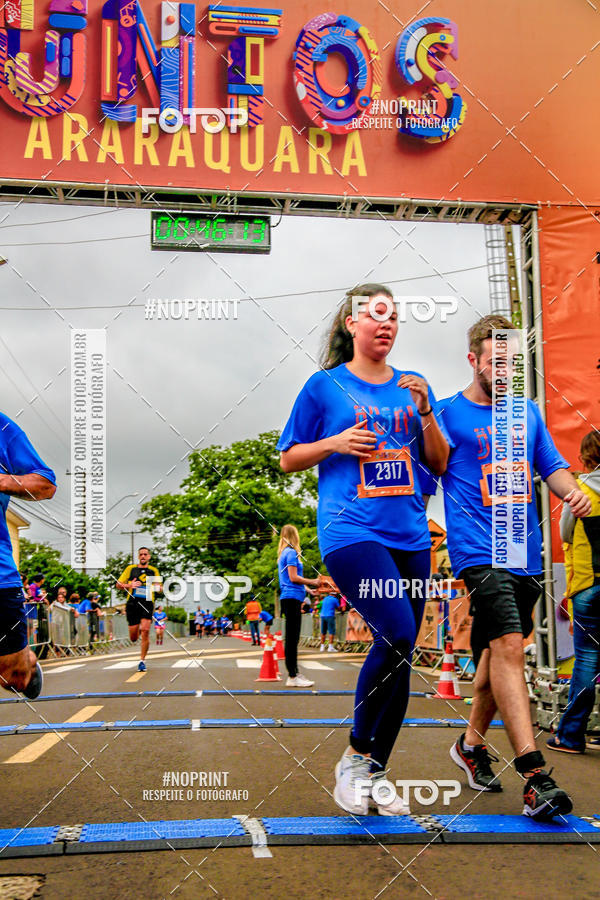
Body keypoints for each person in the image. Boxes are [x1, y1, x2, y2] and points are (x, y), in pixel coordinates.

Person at [278, 283, 449, 814]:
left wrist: (424, 412)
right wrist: (333, 443)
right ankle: (354, 755)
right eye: (375, 316)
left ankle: (376, 773)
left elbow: (439, 463)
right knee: (397, 633)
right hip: (351, 531)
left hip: (411, 536)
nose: (386, 325)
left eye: (394, 317)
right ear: (351, 324)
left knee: (400, 655)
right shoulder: (323, 386)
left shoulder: (415, 386)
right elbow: (288, 457)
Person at [439, 315, 591, 820]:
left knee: (492, 661)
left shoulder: (526, 413)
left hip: (522, 552)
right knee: (507, 647)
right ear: (474, 361)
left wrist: (577, 495)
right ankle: (534, 774)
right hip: (477, 551)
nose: (503, 371)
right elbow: (421, 473)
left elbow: (552, 468)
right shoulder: (447, 415)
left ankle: (469, 746)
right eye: (495, 362)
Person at [547, 430, 600, 754]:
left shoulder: (579, 489)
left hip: (588, 584)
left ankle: (570, 736)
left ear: (586, 457)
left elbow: (566, 531)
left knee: (586, 662)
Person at [0, 412, 56, 697]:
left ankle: (26, 664)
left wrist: (3, 481)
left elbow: (44, 484)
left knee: (14, 677)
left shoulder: (2, 427)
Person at [276, 525, 320, 688]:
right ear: (294, 536)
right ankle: (293, 675)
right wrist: (313, 581)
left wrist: (309, 590)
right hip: (292, 597)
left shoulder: (284, 554)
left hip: (290, 597)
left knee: (292, 637)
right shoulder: (292, 553)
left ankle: (293, 673)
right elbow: (294, 578)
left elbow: (291, 579)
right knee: (293, 638)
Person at [116, 547, 162, 672]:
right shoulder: (131, 569)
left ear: (149, 557)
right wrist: (129, 585)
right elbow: (118, 584)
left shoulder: (153, 571)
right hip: (132, 602)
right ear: (138, 556)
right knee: (134, 637)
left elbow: (160, 587)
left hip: (147, 601)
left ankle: (142, 661)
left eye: (145, 554)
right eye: (141, 554)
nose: (143, 556)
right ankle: (135, 633)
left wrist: (154, 587)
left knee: (145, 630)